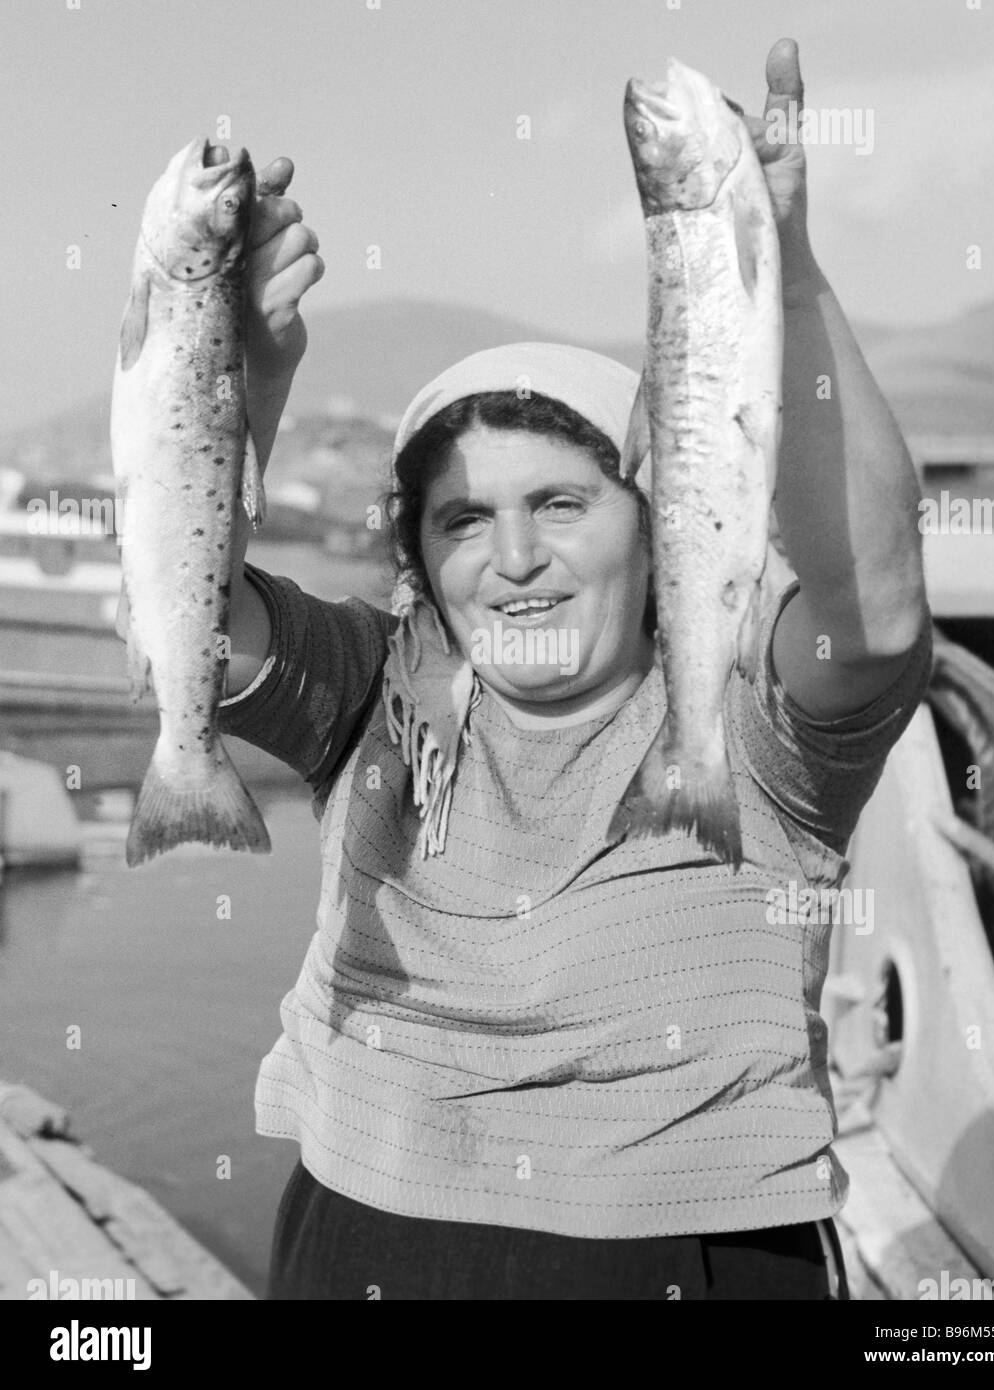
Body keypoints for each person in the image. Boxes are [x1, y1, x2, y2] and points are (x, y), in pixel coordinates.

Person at [222, 39, 931, 1300]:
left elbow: (871, 616)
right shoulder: (375, 686)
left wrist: (783, 269)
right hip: (367, 1236)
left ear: (662, 524)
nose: (513, 560)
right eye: (458, 519)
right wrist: (242, 384)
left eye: (560, 503)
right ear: (420, 560)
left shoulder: (743, 728)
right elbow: (192, 620)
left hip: (687, 1246)